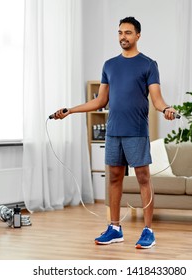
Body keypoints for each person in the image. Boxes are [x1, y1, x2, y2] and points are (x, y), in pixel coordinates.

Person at [53, 16, 177, 249]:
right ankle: (114, 228)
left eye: (128, 33)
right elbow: (100, 101)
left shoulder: (149, 64)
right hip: (114, 132)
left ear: (138, 35)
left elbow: (157, 100)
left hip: (136, 131)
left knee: (143, 178)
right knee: (114, 178)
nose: (123, 37)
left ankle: (148, 230)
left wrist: (167, 109)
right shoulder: (109, 65)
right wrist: (70, 110)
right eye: (120, 32)